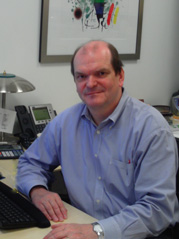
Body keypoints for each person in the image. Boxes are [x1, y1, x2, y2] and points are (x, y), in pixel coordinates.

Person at [16, 40, 179, 239]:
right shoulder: (65, 123)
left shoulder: (151, 129)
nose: (90, 83)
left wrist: (97, 230)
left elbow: (157, 210)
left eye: (101, 73)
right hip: (80, 226)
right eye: (81, 76)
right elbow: (30, 162)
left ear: (120, 76)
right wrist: (37, 190)